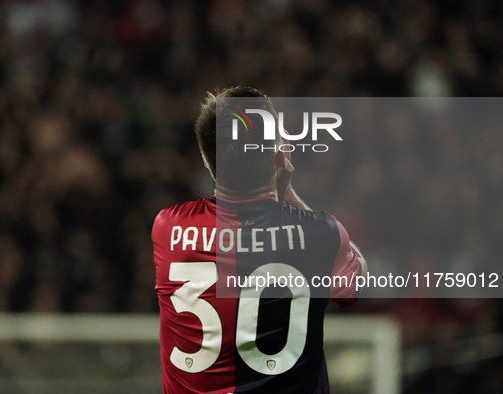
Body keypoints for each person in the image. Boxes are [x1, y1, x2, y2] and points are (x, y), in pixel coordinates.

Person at [152, 86, 367, 394]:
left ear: (206, 158)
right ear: (280, 155)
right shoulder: (321, 234)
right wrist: (289, 197)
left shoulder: (167, 228)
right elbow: (355, 283)